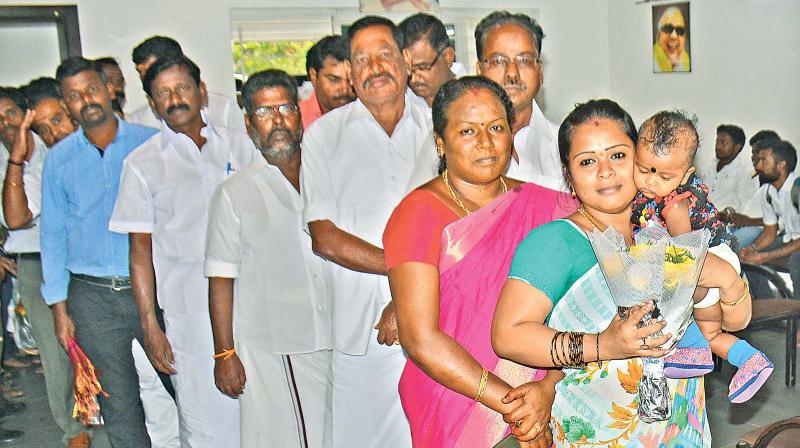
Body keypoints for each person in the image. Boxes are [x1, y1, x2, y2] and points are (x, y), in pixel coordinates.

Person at [492, 99, 752, 447]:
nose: (605, 171)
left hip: (681, 429)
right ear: (569, 175)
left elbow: (736, 323)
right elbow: (508, 336)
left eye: (617, 155)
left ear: (642, 157)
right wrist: (605, 345)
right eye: (587, 161)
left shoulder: (673, 227)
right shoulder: (556, 242)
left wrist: (727, 279)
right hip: (600, 431)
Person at [384, 76, 573, 448]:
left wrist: (547, 387)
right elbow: (420, 339)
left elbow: (577, 305)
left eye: (496, 127)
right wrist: (513, 405)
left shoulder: (547, 206)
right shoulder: (418, 214)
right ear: (440, 141)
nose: (485, 142)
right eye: (467, 130)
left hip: (543, 393)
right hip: (458, 399)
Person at [301, 15, 438, 447]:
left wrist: (407, 297)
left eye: (384, 54)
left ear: (406, 63)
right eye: (361, 58)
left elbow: (459, 225)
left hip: (441, 320)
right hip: (360, 329)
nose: (374, 66)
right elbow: (324, 236)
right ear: (350, 71)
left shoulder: (441, 127)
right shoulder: (324, 136)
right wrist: (404, 278)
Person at [109, 55, 257, 448]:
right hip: (190, 317)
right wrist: (150, 326)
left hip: (256, 305)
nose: (175, 99)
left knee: (264, 417)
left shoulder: (240, 146)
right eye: (163, 93)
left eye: (183, 88)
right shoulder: (142, 164)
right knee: (208, 425)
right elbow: (139, 253)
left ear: (201, 91)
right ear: (152, 103)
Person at [206, 69, 331, 448]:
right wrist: (224, 352)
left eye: (285, 108)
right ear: (248, 124)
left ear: (300, 113)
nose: (277, 120)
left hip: (335, 334)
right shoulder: (234, 192)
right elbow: (220, 279)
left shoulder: (327, 175)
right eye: (264, 112)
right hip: (278, 342)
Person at [41, 56, 157, 447]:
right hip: (92, 299)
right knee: (119, 405)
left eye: (92, 89)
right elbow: (53, 235)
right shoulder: (59, 160)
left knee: (184, 384)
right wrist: (60, 310)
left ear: (109, 90)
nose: (86, 100)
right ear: (66, 104)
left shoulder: (150, 143)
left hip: (152, 288)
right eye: (74, 96)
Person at [630, 110, 772, 403]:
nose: (651, 182)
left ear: (686, 175)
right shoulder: (657, 194)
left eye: (663, 175)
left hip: (708, 255)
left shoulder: (675, 205)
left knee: (668, 279)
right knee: (712, 335)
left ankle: (691, 344)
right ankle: (750, 360)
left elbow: (685, 255)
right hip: (706, 270)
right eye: (643, 170)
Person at [2, 81, 93, 448]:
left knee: (93, 340)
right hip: (33, 262)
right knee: (55, 351)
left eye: (11, 112)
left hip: (77, 259)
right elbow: (16, 218)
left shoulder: (49, 150)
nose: (5, 122)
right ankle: (74, 430)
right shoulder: (16, 157)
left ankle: (102, 411)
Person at [475, 11, 564, 191]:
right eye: (498, 61)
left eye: (525, 60)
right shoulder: (454, 148)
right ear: (479, 70)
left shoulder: (565, 145)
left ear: (540, 71)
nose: (512, 73)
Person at [128, 35, 246, 132]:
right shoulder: (137, 121)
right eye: (141, 73)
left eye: (152, 71)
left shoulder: (224, 109)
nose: (145, 79)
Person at [740, 140, 800, 296]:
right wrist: (752, 249)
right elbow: (769, 233)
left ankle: (796, 316)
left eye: (764, 160)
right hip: (790, 239)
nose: (758, 166)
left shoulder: (797, 189)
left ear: (781, 165)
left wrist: (766, 256)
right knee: (748, 259)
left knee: (797, 262)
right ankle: (770, 315)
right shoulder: (768, 191)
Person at [722, 130, 782, 250]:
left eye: (756, 153)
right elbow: (744, 207)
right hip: (743, 226)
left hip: (760, 229)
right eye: (753, 153)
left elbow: (782, 222)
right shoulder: (753, 177)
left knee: (726, 249)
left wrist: (749, 221)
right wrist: (731, 213)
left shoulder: (782, 182)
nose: (753, 158)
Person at [399, 13, 456, 108]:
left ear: (448, 57)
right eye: (406, 68)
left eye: (422, 67)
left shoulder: (476, 97)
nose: (413, 79)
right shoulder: (399, 106)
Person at [299, 36, 355, 129]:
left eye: (351, 79)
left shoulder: (370, 116)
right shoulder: (297, 119)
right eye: (334, 79)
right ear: (313, 76)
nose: (345, 89)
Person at [702, 124, 756, 212]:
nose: (718, 146)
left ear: (738, 147)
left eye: (723, 143)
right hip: (700, 218)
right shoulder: (708, 167)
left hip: (725, 222)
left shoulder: (745, 171)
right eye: (717, 141)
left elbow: (745, 206)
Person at [653, 6, 690, 72]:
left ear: (684, 38)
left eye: (679, 30)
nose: (673, 36)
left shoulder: (688, 62)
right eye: (668, 28)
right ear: (658, 35)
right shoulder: (651, 60)